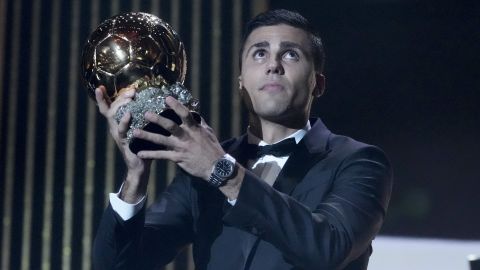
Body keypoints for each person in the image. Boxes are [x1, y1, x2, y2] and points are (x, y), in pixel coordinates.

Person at [93, 9, 393, 270]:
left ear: (318, 83)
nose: (273, 65)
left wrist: (223, 171)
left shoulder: (358, 162)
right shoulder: (201, 166)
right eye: (259, 53)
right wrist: (135, 176)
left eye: (291, 54)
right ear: (241, 82)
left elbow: (328, 248)